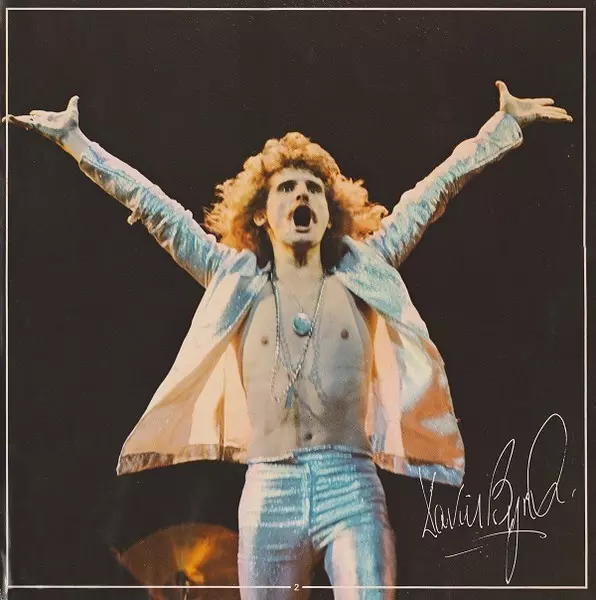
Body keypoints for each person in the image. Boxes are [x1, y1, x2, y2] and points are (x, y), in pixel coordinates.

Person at [4, 81, 572, 599]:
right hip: (269, 487)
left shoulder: (364, 269)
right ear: (262, 215)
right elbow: (157, 211)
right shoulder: (233, 277)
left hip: (350, 484)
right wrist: (77, 143)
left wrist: (501, 128)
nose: (303, 195)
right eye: (288, 188)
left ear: (329, 212)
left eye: (314, 189)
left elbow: (431, 195)